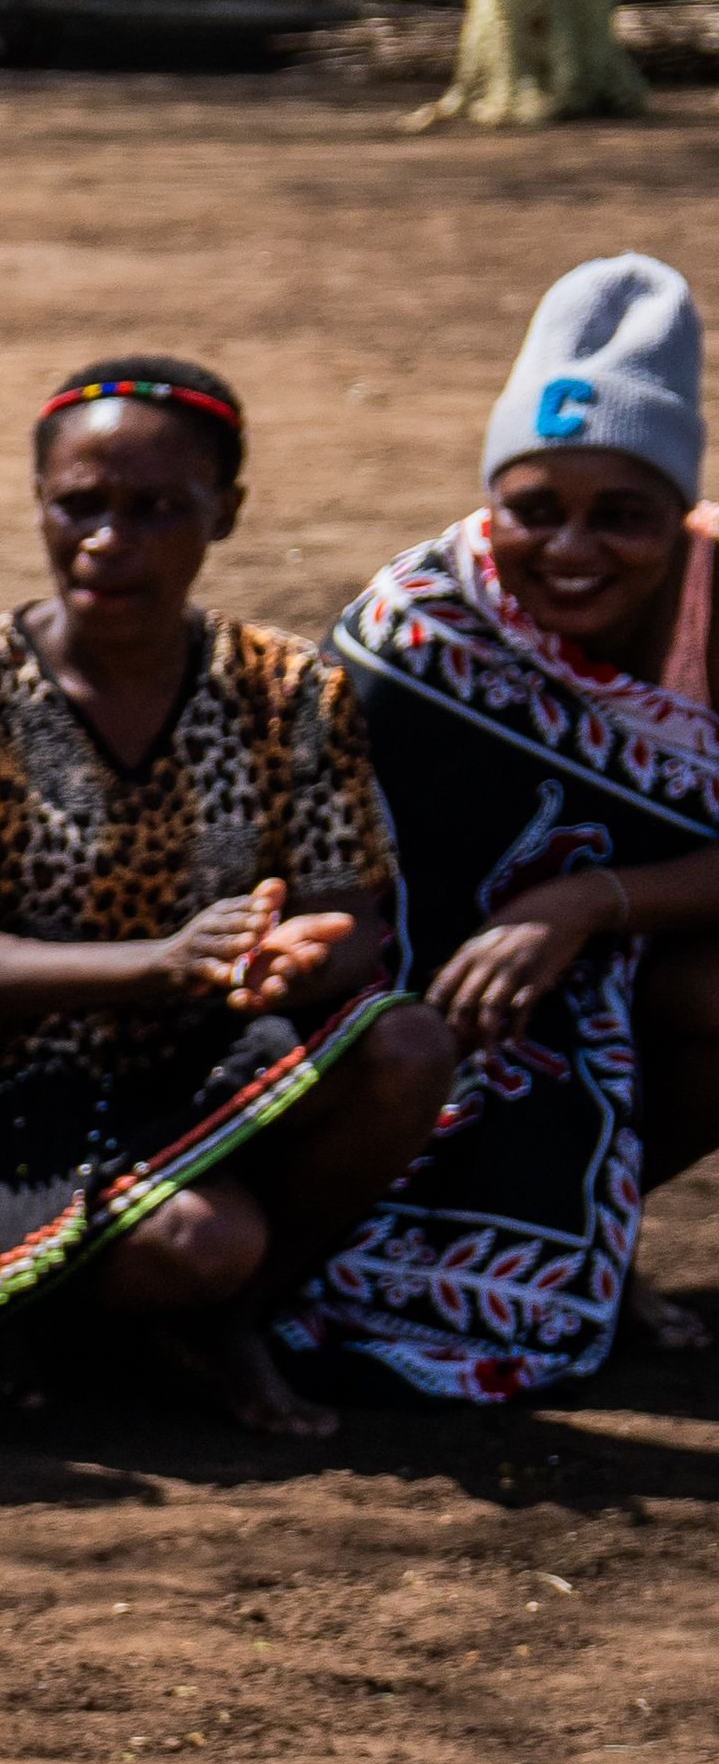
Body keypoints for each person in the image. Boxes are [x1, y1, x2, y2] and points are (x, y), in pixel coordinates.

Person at [0, 360, 453, 1432]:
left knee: (406, 1048)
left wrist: (297, 955)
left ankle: (217, 1319)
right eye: (79, 505)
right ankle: (71, 1314)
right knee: (199, 1241)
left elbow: (356, 917)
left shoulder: (286, 688)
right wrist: (160, 963)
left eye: (154, 508)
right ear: (38, 505)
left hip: (182, 1076)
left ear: (224, 513)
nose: (107, 539)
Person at [300, 259, 719, 1394]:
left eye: (620, 515)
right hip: (405, 995)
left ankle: (591, 1229)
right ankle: (327, 1244)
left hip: (594, 967)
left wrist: (580, 903)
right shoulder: (419, 632)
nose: (571, 548)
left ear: (676, 514)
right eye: (533, 510)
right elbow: (316, 862)